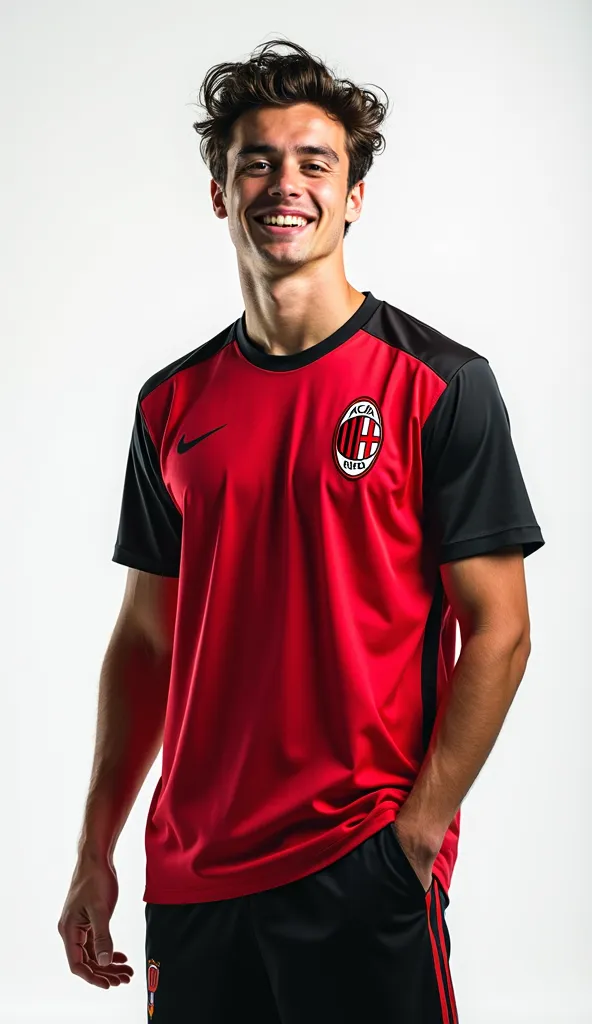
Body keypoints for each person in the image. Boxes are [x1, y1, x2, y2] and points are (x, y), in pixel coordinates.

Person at [58, 38, 545, 1023]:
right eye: (257, 160)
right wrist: (93, 849)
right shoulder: (171, 405)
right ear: (219, 191)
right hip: (195, 876)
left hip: (358, 861)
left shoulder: (440, 385)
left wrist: (419, 832)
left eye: (314, 162)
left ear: (353, 195)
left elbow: (499, 628)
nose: (285, 183)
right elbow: (147, 639)